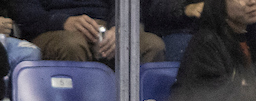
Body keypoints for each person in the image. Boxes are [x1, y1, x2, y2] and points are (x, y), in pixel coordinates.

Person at [10, 0, 166, 63]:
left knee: (152, 44)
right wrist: (63, 22)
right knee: (72, 45)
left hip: (103, 26)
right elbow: (24, 12)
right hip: (52, 29)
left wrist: (118, 27)